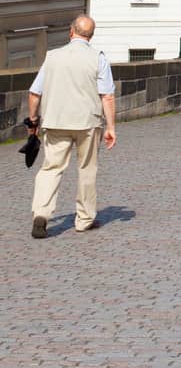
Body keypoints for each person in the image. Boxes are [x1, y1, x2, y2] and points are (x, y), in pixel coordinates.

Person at [27, 14, 116, 238]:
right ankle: (84, 219)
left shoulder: (53, 56)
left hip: (56, 120)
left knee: (51, 168)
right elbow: (107, 96)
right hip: (87, 122)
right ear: (91, 36)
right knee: (87, 169)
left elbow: (34, 92)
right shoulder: (98, 58)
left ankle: (41, 213)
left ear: (71, 31)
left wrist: (33, 120)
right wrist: (111, 127)